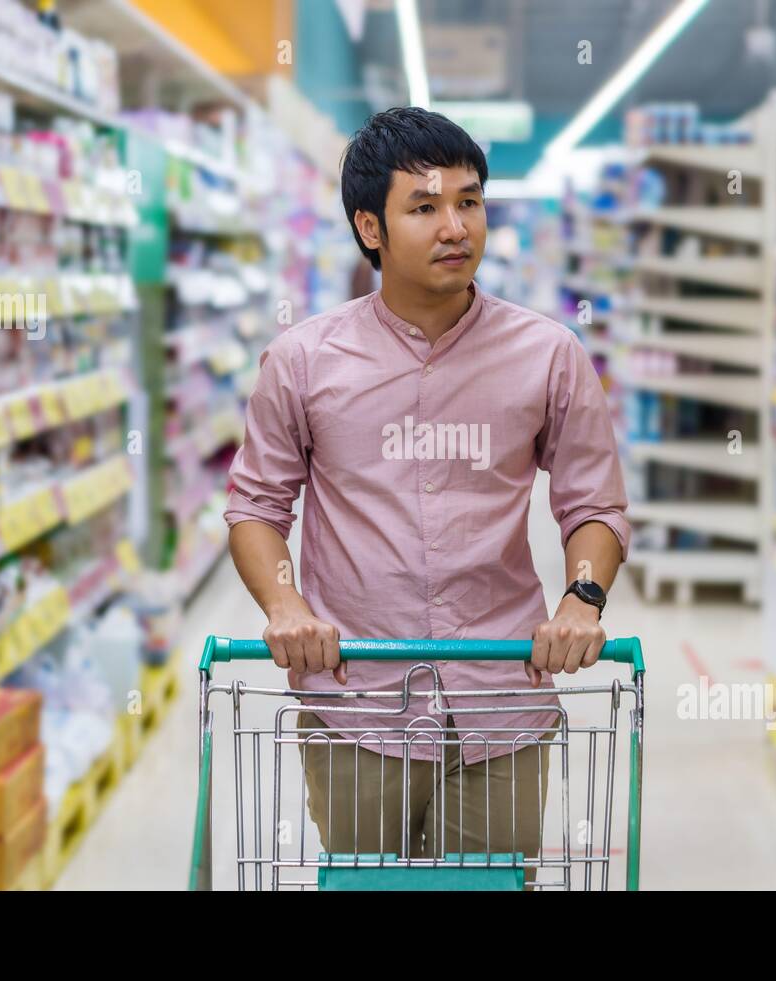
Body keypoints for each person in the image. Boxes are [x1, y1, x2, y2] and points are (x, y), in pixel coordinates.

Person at [223, 107, 629, 875]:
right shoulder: (304, 360)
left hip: (500, 696)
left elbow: (594, 504)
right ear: (370, 228)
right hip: (357, 698)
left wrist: (582, 598)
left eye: (469, 202)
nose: (455, 227)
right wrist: (285, 605)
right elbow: (256, 506)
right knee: (367, 883)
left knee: (488, 888)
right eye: (425, 207)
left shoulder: (549, 355)